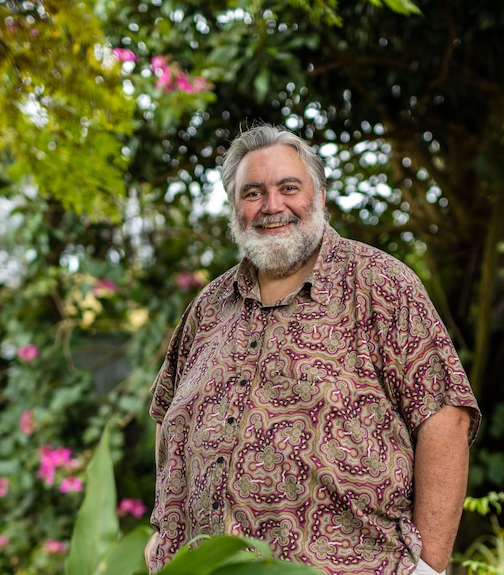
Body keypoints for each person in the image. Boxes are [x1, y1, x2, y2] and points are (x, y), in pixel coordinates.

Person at [145, 124, 481, 575]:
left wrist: (430, 568)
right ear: (234, 208)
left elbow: (445, 416)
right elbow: (169, 421)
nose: (272, 206)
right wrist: (159, 536)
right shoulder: (207, 308)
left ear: (320, 195)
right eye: (253, 193)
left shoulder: (381, 285)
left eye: (288, 187)